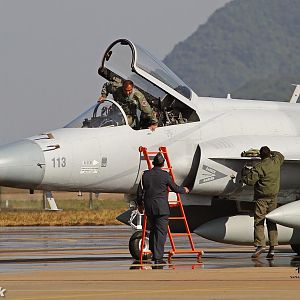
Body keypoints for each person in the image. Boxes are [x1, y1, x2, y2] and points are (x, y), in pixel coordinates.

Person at [136, 152, 189, 264]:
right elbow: (175, 188)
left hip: (149, 208)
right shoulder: (165, 175)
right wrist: (185, 190)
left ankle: (154, 252)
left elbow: (139, 192)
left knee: (153, 230)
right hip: (162, 209)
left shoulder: (145, 175)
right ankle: (158, 257)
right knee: (161, 233)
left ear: (153, 163)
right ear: (163, 163)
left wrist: (140, 205)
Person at [242, 146, 284, 259]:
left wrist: (245, 171)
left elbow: (249, 181)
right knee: (272, 222)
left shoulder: (259, 167)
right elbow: (280, 155)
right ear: (270, 154)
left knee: (259, 222)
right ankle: (272, 248)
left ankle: (260, 245)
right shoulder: (276, 161)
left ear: (260, 155)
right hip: (273, 198)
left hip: (262, 199)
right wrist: (272, 153)